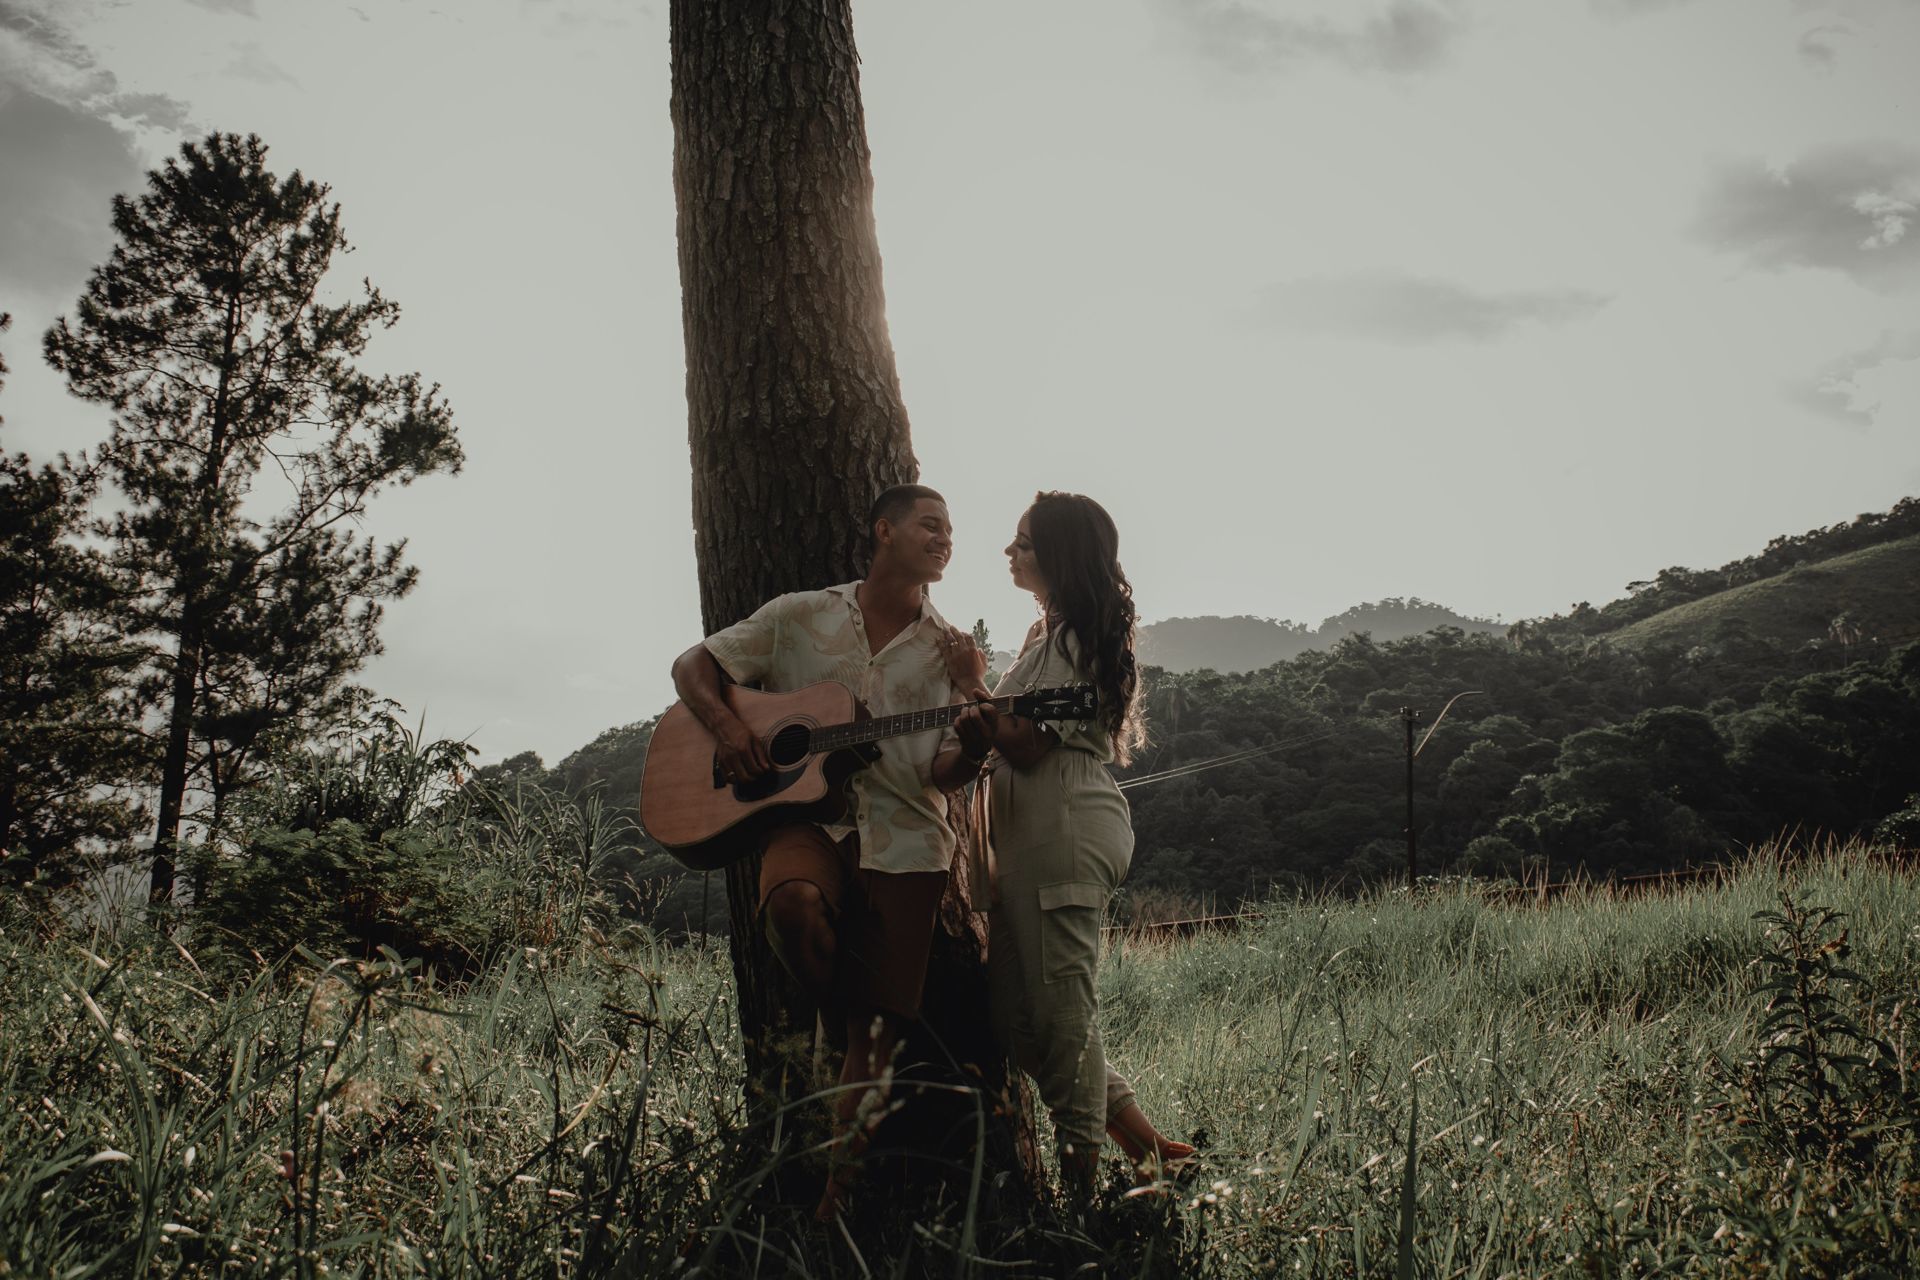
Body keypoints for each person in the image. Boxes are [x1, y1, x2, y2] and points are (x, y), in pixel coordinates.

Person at [669, 483, 986, 1220]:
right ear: (884, 531)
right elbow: (692, 665)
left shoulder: (953, 651)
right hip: (807, 824)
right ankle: (847, 1010)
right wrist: (729, 728)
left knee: (875, 1034)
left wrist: (973, 748)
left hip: (908, 840)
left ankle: (834, 1205)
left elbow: (946, 771)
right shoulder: (800, 614)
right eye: (930, 524)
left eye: (950, 530)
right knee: (791, 907)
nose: (945, 538)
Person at [951, 491, 1195, 1196]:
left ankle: (1082, 1199)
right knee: (1015, 1023)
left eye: (1023, 542)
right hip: (1022, 837)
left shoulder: (1078, 637)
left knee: (1061, 1018)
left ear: (1058, 555)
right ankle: (1153, 1152)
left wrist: (970, 684)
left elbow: (1028, 744)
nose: (1009, 552)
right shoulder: (1044, 636)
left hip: (1062, 825)